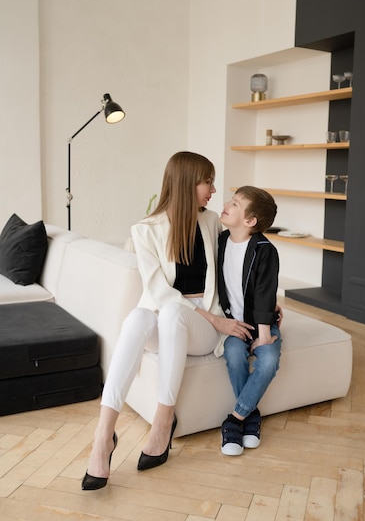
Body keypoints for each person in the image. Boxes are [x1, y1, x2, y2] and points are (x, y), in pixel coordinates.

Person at [82, 151, 253, 490]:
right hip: (169, 318)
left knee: (174, 312)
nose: (213, 190)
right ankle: (103, 436)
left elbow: (245, 258)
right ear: (188, 182)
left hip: (202, 329)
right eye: (208, 181)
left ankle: (163, 421)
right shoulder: (145, 230)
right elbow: (158, 291)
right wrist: (210, 318)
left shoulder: (211, 221)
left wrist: (265, 305)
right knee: (135, 320)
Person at [216, 186, 282, 455]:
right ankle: (250, 417)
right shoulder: (220, 241)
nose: (226, 205)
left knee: (268, 361)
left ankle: (234, 420)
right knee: (233, 354)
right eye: (230, 201)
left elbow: (266, 292)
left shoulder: (265, 250)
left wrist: (264, 335)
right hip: (234, 324)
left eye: (235, 204)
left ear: (250, 221)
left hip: (262, 324)